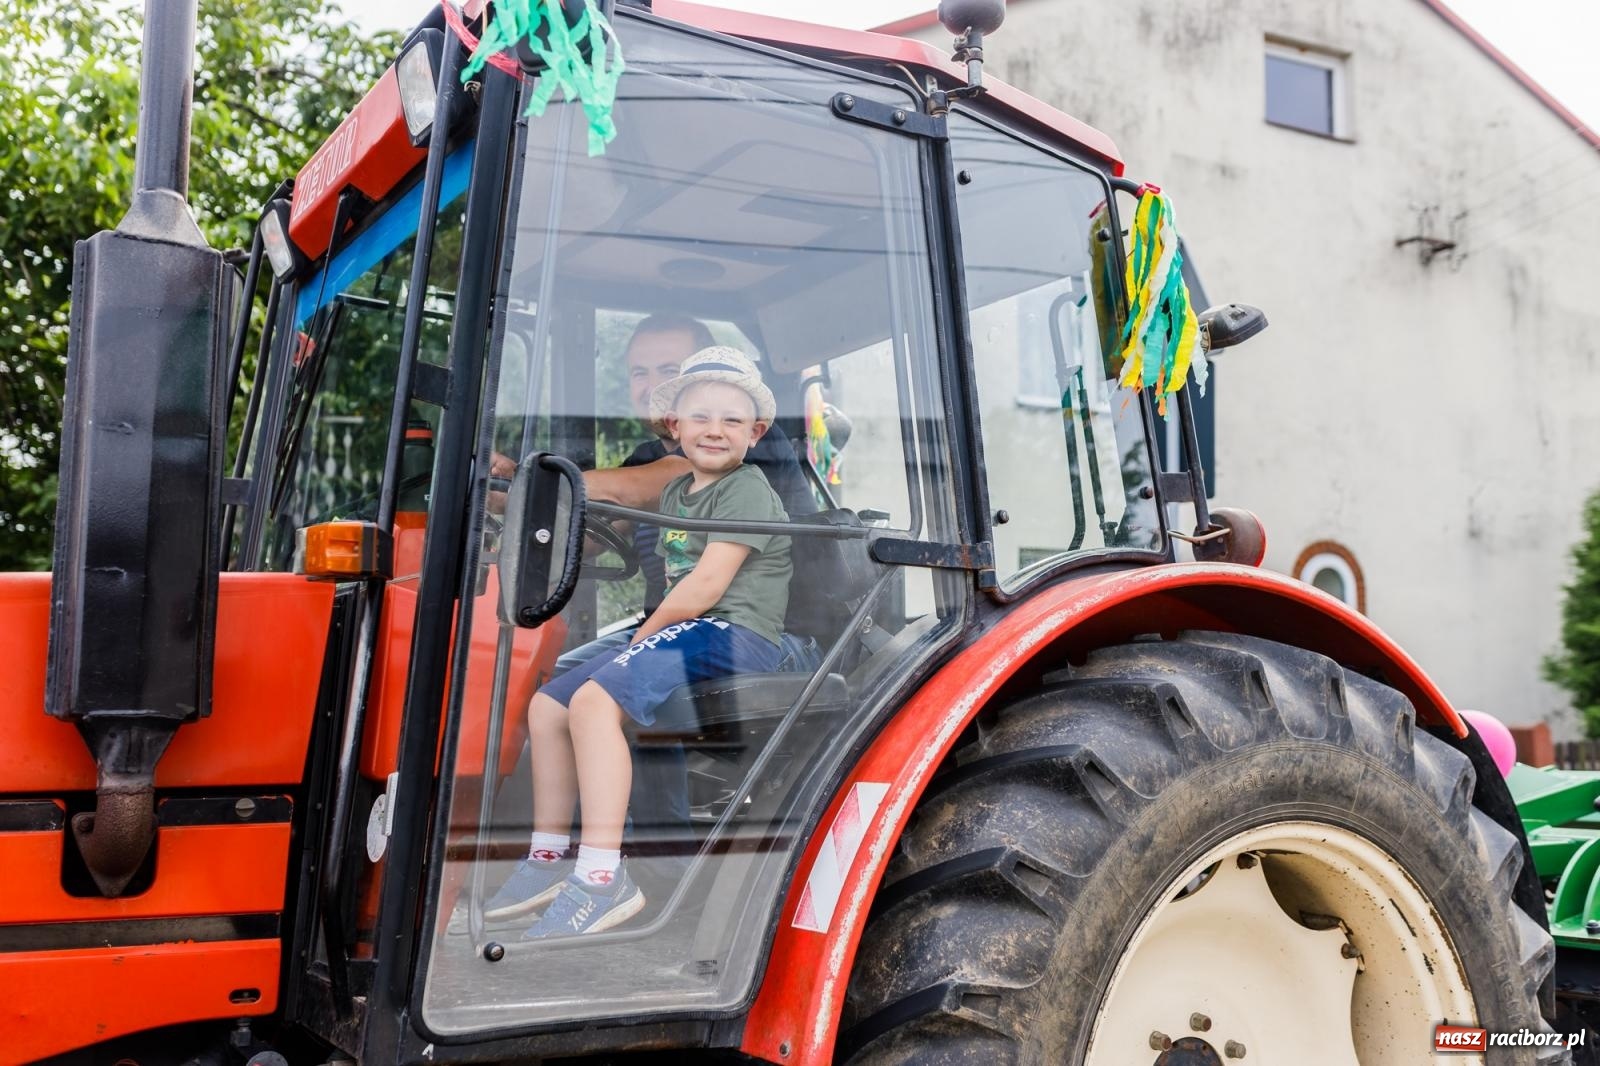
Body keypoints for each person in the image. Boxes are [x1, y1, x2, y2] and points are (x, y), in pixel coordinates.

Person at [494, 348, 793, 938]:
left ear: (756, 434)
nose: (715, 429)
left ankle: (602, 879)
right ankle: (549, 856)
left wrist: (641, 639)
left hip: (740, 632)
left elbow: (705, 586)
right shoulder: (679, 492)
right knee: (549, 704)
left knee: (595, 701)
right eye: (699, 416)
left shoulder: (747, 490)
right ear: (672, 427)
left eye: (733, 420)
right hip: (689, 626)